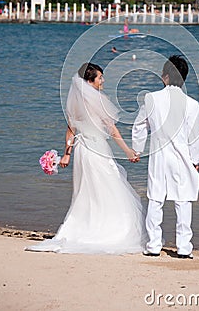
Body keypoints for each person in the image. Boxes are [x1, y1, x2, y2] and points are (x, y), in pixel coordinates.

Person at [27, 62, 146, 254]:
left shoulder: (75, 102)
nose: (103, 80)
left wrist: (67, 154)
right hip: (97, 148)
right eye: (100, 77)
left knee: (87, 190)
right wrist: (127, 151)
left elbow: (70, 131)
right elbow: (112, 129)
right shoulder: (99, 101)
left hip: (82, 150)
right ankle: (110, 227)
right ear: (90, 81)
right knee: (109, 184)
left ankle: (84, 225)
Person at [132, 55, 199, 259]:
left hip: (158, 156)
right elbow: (195, 136)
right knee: (183, 201)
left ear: (165, 77)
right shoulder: (192, 104)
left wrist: (138, 149)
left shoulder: (151, 98)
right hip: (182, 157)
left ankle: (153, 245)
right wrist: (195, 160)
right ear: (184, 78)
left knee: (155, 198)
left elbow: (140, 126)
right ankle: (183, 247)